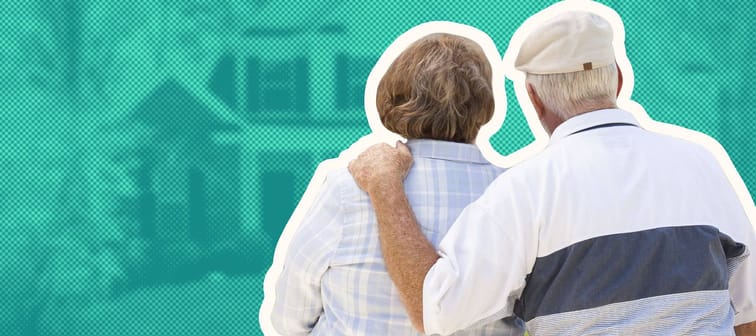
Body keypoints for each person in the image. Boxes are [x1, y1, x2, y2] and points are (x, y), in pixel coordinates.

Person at [347, 10, 756, 336]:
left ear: (533, 96)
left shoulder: (525, 190)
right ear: (617, 78)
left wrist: (386, 189)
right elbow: (748, 314)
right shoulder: (703, 164)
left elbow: (434, 310)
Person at [269, 32, 524, 335]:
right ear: (485, 105)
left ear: (395, 97)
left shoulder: (349, 188)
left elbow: (289, 315)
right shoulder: (516, 195)